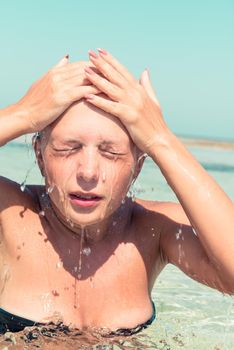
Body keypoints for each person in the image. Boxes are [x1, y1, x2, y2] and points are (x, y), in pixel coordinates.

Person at [0, 49, 233, 336]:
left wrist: (160, 139)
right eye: (68, 148)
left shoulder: (153, 230)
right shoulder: (9, 214)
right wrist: (23, 114)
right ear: (39, 155)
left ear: (137, 167)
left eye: (110, 153)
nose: (88, 171)